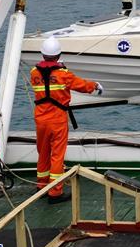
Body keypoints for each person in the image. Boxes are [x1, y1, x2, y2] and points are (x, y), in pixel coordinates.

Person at [31, 37, 102, 203]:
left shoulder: (34, 72)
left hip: (41, 118)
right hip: (57, 119)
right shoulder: (64, 74)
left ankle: (42, 186)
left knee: (43, 152)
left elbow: (47, 79)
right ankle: (55, 192)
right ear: (58, 55)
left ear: (43, 54)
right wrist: (95, 85)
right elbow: (81, 85)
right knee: (57, 155)